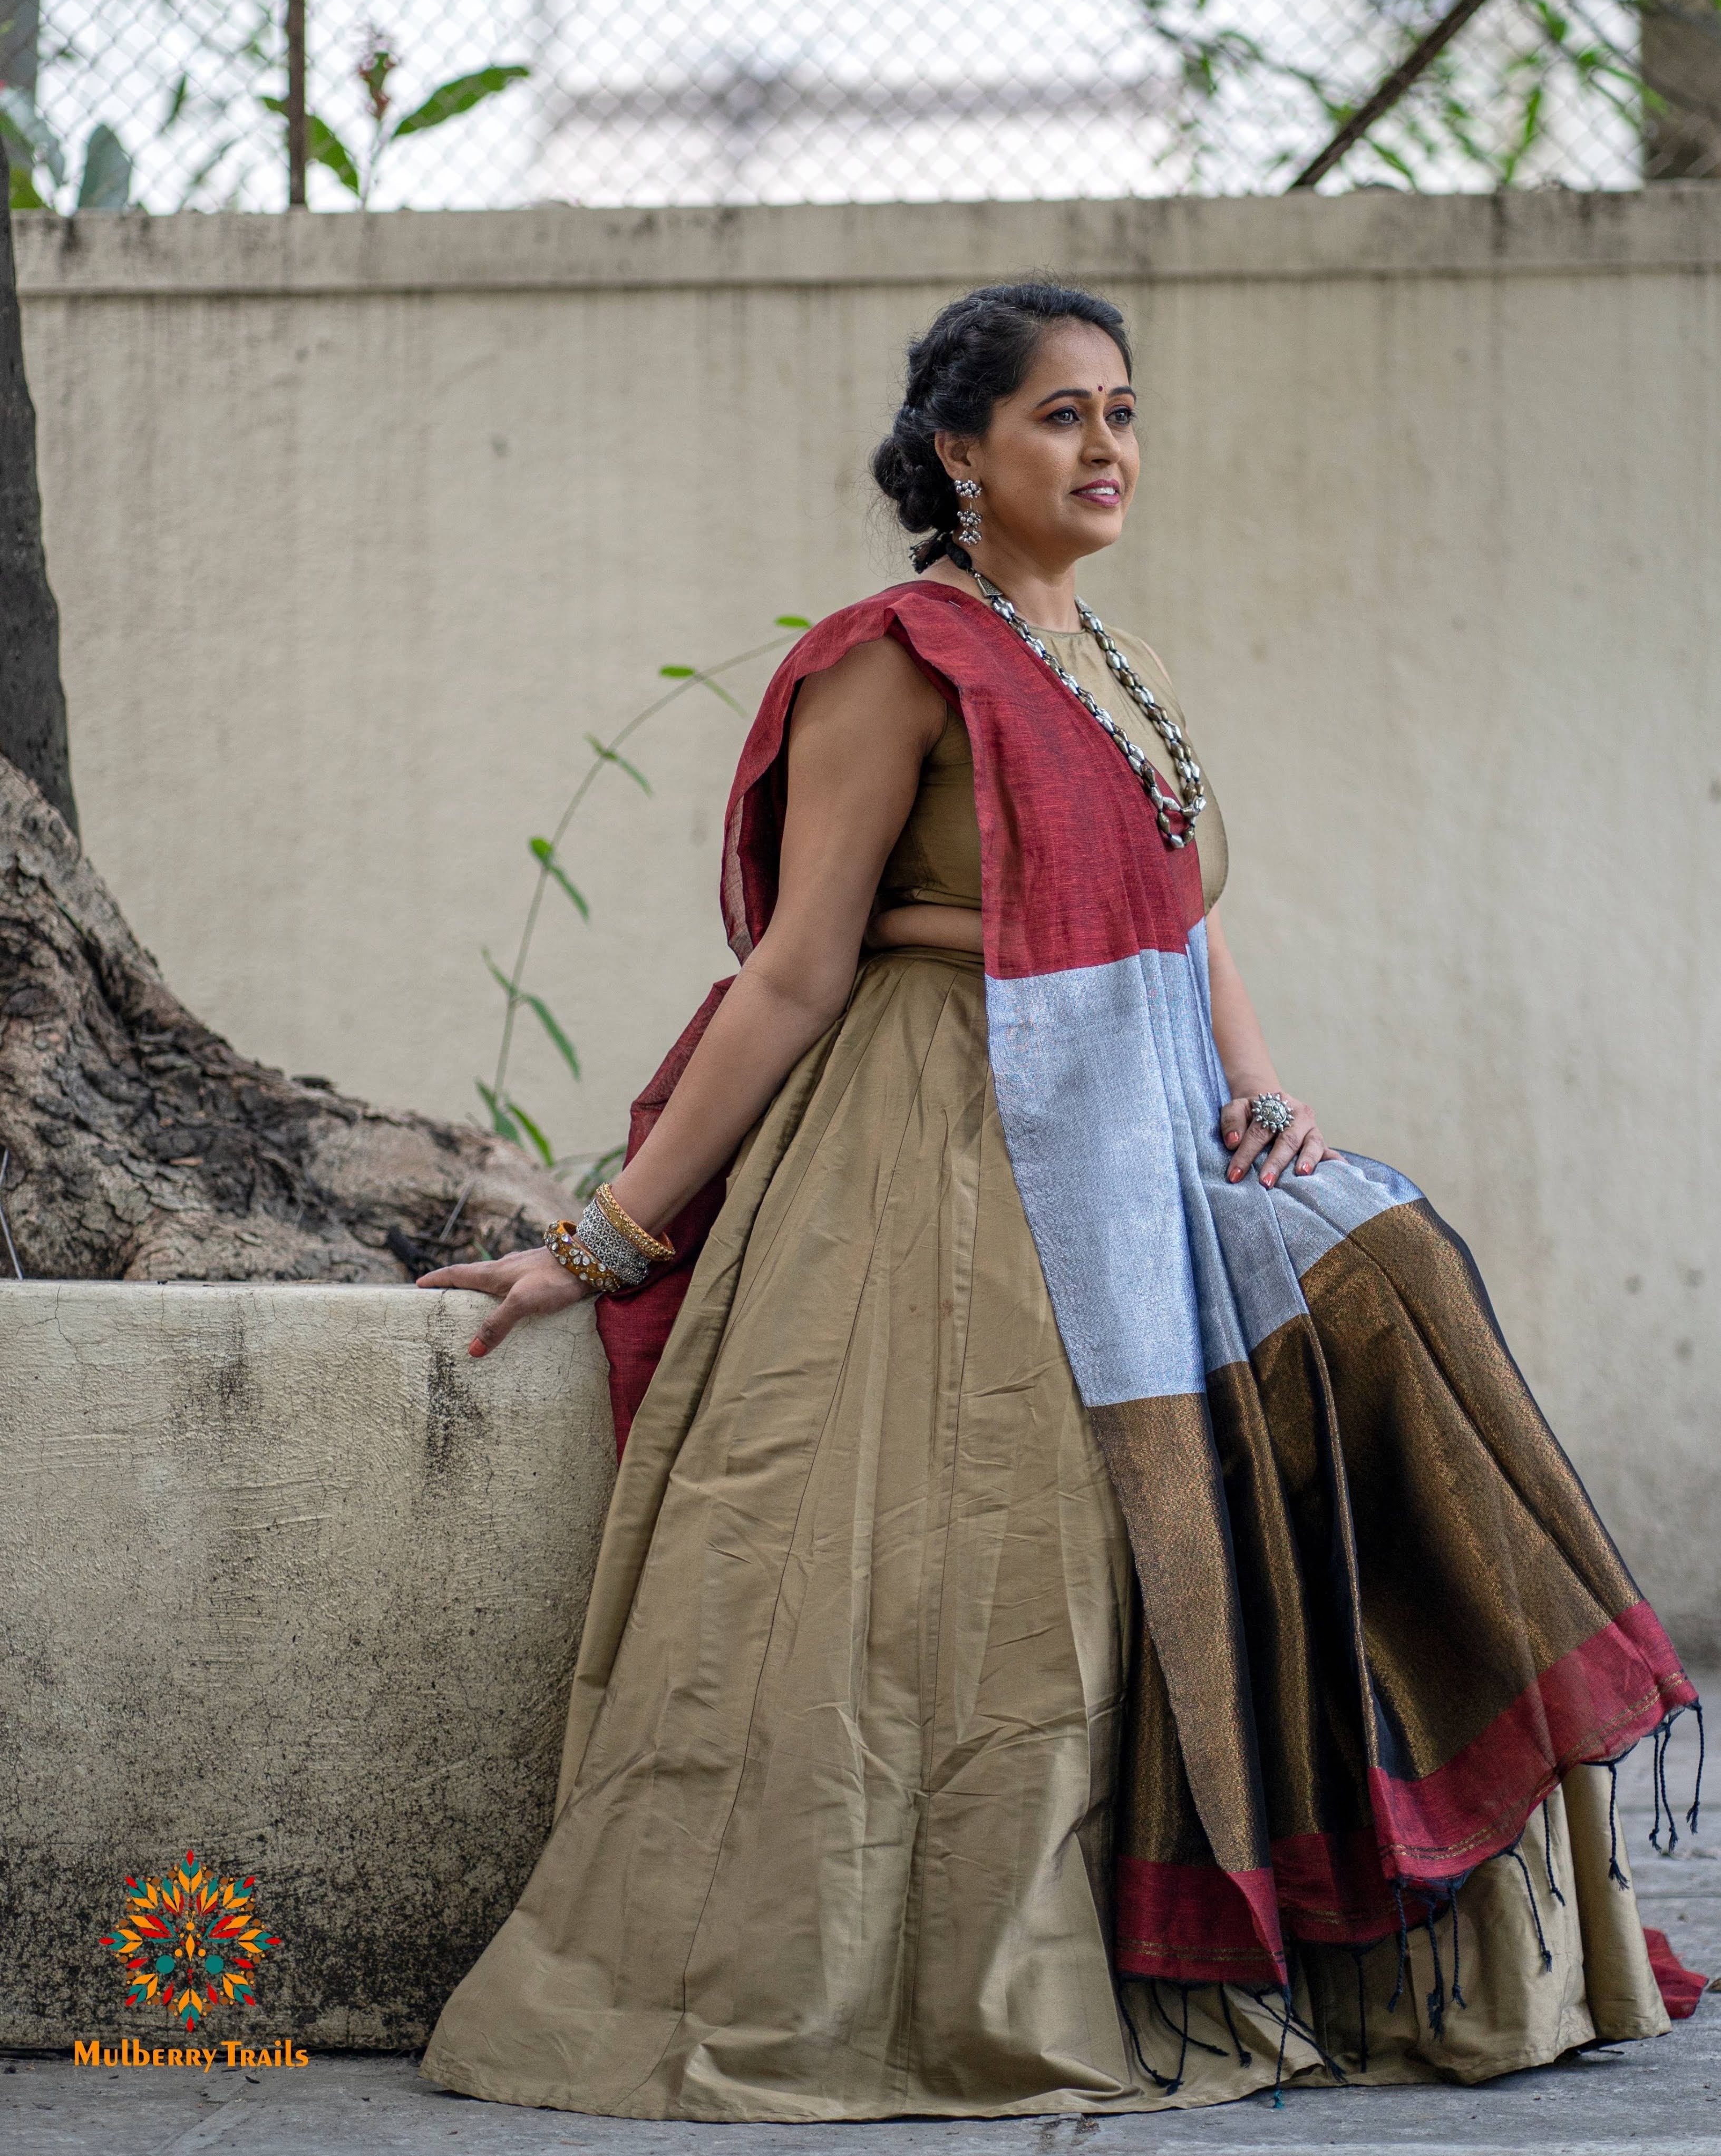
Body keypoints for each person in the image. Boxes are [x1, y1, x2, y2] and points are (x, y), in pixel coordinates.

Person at [418, 281, 1700, 2119]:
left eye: (1121, 414)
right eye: (1058, 418)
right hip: (947, 1139)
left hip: (1153, 1124)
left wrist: (1259, 1093)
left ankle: (1360, 1907)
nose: (1105, 451)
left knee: (1388, 1275)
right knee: (989, 1572)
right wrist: (601, 1235)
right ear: (958, 449)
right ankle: (990, 1959)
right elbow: (794, 968)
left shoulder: (1123, 667)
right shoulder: (898, 658)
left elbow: (1187, 922)